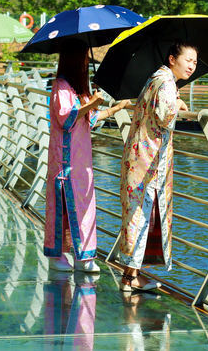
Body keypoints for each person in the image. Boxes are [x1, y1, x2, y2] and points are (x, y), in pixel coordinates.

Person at [117, 42, 198, 291]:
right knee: (140, 215)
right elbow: (165, 116)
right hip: (147, 161)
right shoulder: (165, 82)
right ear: (172, 58)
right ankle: (129, 278)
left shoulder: (156, 78)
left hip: (140, 156)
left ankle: (132, 274)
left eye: (195, 62)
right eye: (188, 60)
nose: (192, 66)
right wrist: (177, 101)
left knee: (139, 214)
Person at [45, 40, 128, 272]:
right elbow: (66, 119)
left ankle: (85, 255)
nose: (86, 63)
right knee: (64, 204)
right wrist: (90, 103)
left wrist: (114, 109)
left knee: (85, 203)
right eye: (83, 58)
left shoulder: (79, 88)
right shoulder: (61, 86)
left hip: (82, 159)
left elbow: (88, 119)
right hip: (65, 157)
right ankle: (57, 255)